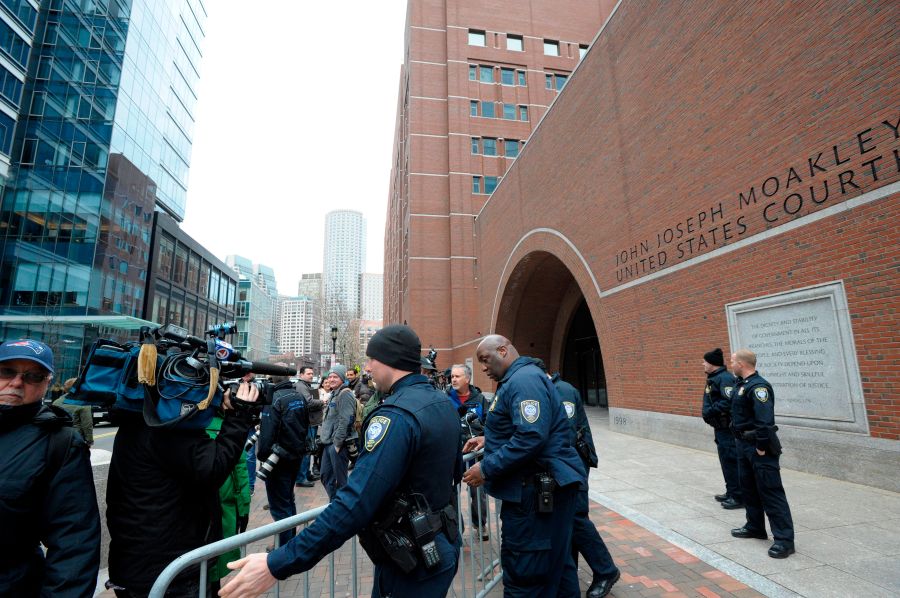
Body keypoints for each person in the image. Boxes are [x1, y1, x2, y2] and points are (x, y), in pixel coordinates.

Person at [220, 324, 462, 598]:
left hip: (413, 562)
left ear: (389, 360)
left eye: (371, 360)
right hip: (438, 546)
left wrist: (278, 563)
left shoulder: (396, 416)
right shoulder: (442, 404)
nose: (367, 368)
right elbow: (454, 475)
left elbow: (355, 502)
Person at [106, 379, 259, 596]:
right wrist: (239, 415)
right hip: (171, 572)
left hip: (135, 564)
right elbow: (213, 468)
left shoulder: (139, 419)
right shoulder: (170, 429)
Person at [462, 335, 586, 597]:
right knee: (557, 569)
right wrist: (489, 438)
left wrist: (485, 468)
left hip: (534, 494)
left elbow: (531, 436)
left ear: (503, 351)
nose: (483, 368)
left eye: (485, 360)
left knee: (526, 575)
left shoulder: (524, 380)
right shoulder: (518, 380)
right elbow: (528, 427)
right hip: (537, 490)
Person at [0, 339, 101, 597]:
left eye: (34, 376)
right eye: (7, 371)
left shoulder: (60, 443)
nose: (17, 382)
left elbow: (74, 544)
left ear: (47, 383)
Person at [535, 359, 620, 598]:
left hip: (573, 466)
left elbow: (567, 432)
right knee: (568, 519)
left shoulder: (562, 391)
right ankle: (569, 571)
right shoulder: (550, 389)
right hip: (564, 466)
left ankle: (605, 570)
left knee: (576, 518)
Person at [729, 349, 795, 559]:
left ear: (741, 363)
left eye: (732, 362)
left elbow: (765, 421)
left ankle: (784, 541)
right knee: (749, 489)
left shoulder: (759, 387)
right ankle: (755, 526)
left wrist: (761, 446)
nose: (731, 365)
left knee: (771, 492)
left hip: (759, 446)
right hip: (743, 444)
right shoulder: (742, 385)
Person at [257, 367, 310, 547]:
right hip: (295, 456)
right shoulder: (299, 397)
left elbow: (267, 434)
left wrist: (262, 455)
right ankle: (289, 541)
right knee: (288, 499)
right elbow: (306, 425)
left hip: (277, 458)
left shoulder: (273, 399)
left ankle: (283, 548)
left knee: (279, 505)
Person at [206, 411, 252, 585]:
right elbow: (239, 469)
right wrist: (244, 508)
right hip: (222, 511)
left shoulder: (174, 425)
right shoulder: (227, 429)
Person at [447, 363, 490, 540]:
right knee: (452, 494)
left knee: (478, 494)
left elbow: (490, 425)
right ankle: (457, 527)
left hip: (475, 456)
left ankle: (480, 524)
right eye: (452, 377)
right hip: (452, 456)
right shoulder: (445, 398)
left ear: (467, 378)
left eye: (457, 376)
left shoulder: (480, 399)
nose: (454, 379)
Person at [701, 348, 742, 509]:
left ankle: (738, 496)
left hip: (727, 429)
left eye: (704, 361)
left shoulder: (724, 378)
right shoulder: (714, 378)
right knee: (726, 461)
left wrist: (709, 411)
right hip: (720, 428)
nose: (703, 364)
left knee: (731, 461)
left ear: (712, 363)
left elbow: (728, 401)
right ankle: (731, 491)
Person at [317, 364, 358, 500]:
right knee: (325, 476)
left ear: (342, 378)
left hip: (337, 445)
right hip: (328, 443)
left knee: (341, 482)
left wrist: (337, 444)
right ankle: (335, 504)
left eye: (335, 377)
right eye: (330, 377)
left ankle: (343, 508)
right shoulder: (334, 393)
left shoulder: (345, 394)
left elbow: (346, 420)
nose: (331, 379)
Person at [296, 366, 325, 488]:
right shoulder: (301, 386)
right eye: (308, 373)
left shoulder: (307, 386)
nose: (311, 375)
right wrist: (322, 402)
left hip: (310, 422)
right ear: (301, 375)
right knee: (306, 450)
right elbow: (309, 402)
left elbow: (313, 400)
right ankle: (301, 478)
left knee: (309, 449)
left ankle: (306, 474)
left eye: (312, 373)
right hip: (306, 422)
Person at [53, 376, 94, 446]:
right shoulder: (83, 403)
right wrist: (89, 441)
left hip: (58, 439)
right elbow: (87, 425)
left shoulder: (56, 402)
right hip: (76, 439)